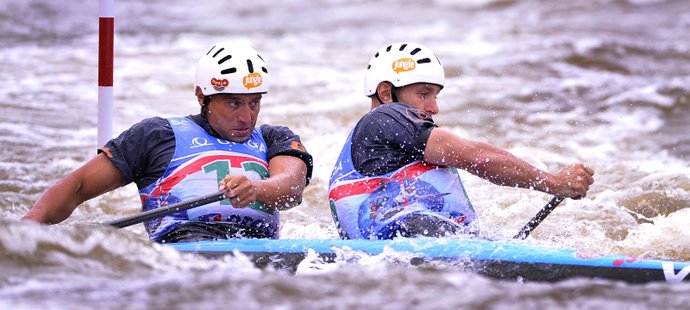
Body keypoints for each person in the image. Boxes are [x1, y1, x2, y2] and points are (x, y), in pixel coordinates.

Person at [23, 42, 313, 243]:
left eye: (254, 103)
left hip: (259, 248)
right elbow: (77, 187)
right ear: (202, 97)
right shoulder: (156, 135)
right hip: (183, 246)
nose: (246, 116)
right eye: (234, 103)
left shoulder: (275, 138)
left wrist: (257, 189)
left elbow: (292, 188)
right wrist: (28, 227)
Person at [328, 42, 593, 240]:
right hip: (413, 236)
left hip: (408, 252)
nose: (434, 107)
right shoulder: (385, 118)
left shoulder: (376, 142)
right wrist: (555, 182)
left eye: (436, 95)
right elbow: (476, 157)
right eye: (424, 94)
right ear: (386, 93)